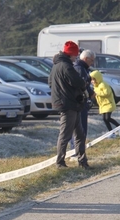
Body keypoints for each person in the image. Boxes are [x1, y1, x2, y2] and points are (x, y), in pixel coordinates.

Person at [48, 41, 90, 169]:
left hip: (70, 104)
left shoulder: (56, 66)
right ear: (71, 54)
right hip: (68, 105)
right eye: (75, 55)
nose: (76, 58)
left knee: (80, 135)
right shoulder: (66, 66)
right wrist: (83, 85)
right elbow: (78, 82)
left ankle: (82, 162)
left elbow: (50, 82)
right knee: (65, 135)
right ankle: (60, 163)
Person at [69, 49, 96, 157]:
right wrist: (90, 93)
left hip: (81, 103)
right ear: (85, 58)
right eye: (91, 61)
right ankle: (76, 152)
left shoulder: (82, 68)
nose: (92, 63)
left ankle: (78, 151)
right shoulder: (80, 69)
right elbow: (82, 85)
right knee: (79, 129)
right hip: (79, 104)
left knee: (80, 128)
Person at [90, 70, 120, 138]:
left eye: (93, 79)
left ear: (97, 78)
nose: (92, 81)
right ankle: (111, 132)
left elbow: (107, 93)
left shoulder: (103, 84)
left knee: (107, 118)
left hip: (109, 104)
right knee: (105, 119)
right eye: (91, 80)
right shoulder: (96, 86)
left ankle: (118, 126)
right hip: (103, 105)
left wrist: (97, 93)